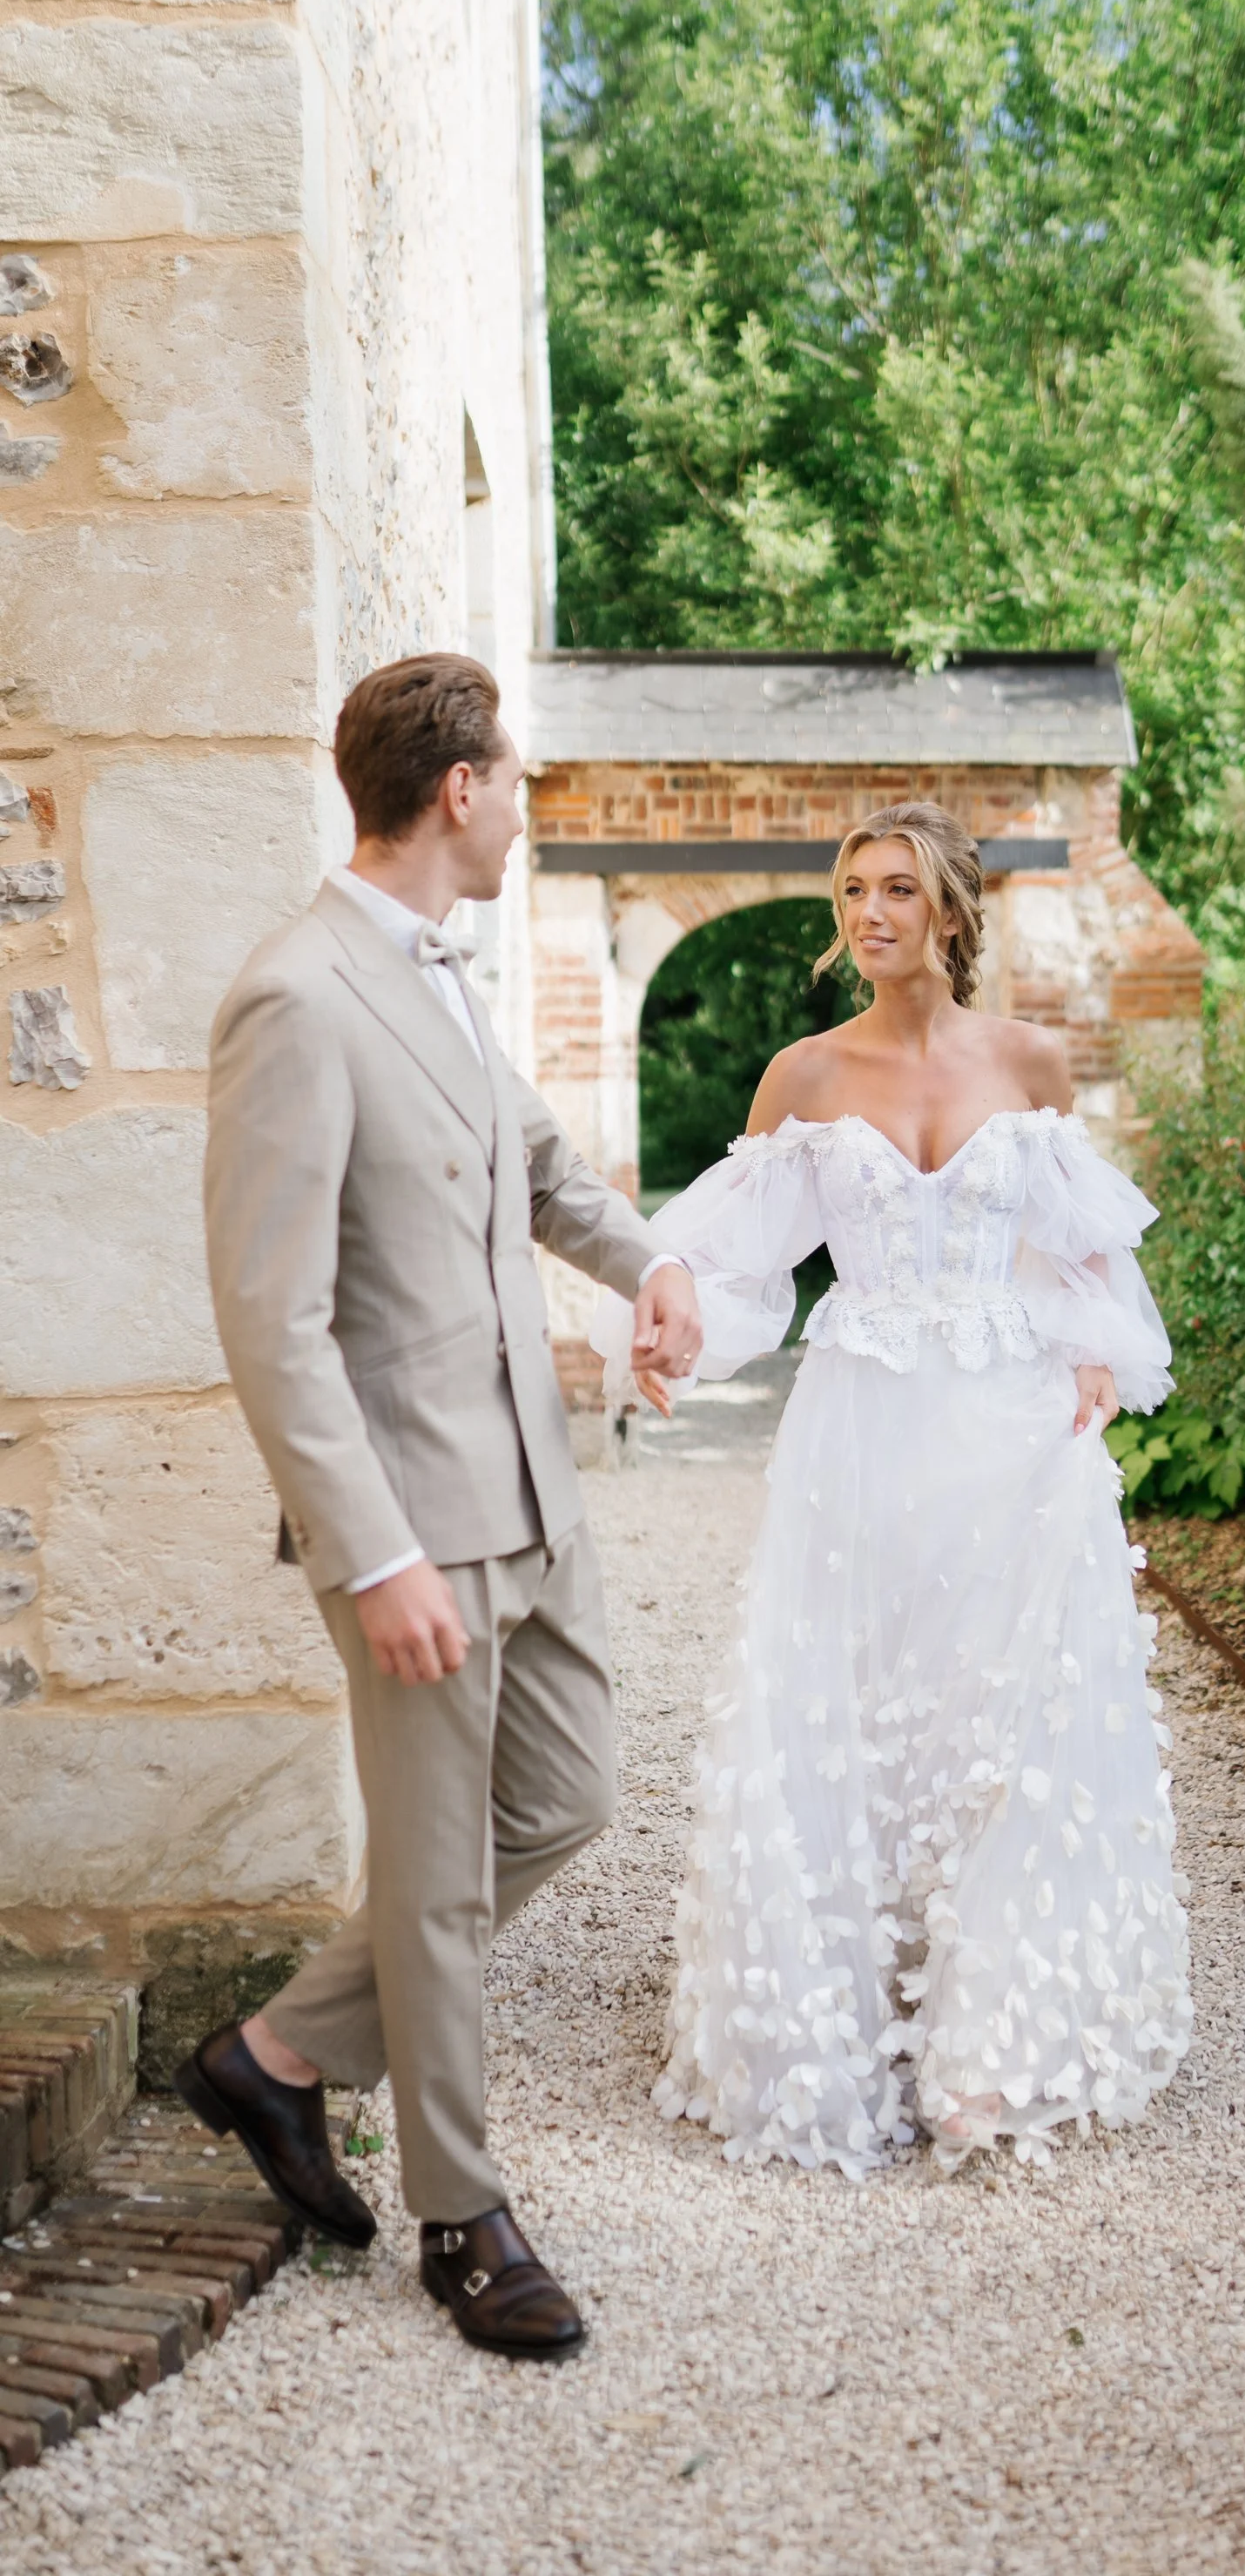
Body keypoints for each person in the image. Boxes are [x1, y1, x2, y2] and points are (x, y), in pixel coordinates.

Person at [178, 654, 703, 2358]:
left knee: (562, 1802)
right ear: (456, 789)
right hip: (410, 1526)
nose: (522, 803)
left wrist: (649, 1269)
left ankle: (270, 2060)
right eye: (514, 777)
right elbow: (274, 1323)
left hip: (533, 1497)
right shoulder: (298, 997)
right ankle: (463, 2219)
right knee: (435, 1878)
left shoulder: (442, 976)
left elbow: (536, 1168)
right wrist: (374, 1548)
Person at [595, 802, 1192, 2177]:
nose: (870, 914)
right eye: (853, 890)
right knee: (846, 1714)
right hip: (859, 1429)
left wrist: (1091, 1361)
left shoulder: (1029, 1062)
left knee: (1009, 1725)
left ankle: (997, 2051)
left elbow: (1079, 1255)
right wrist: (673, 1320)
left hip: (1010, 1433)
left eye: (898, 891)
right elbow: (736, 1264)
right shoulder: (803, 1077)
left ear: (951, 913)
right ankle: (822, 2033)